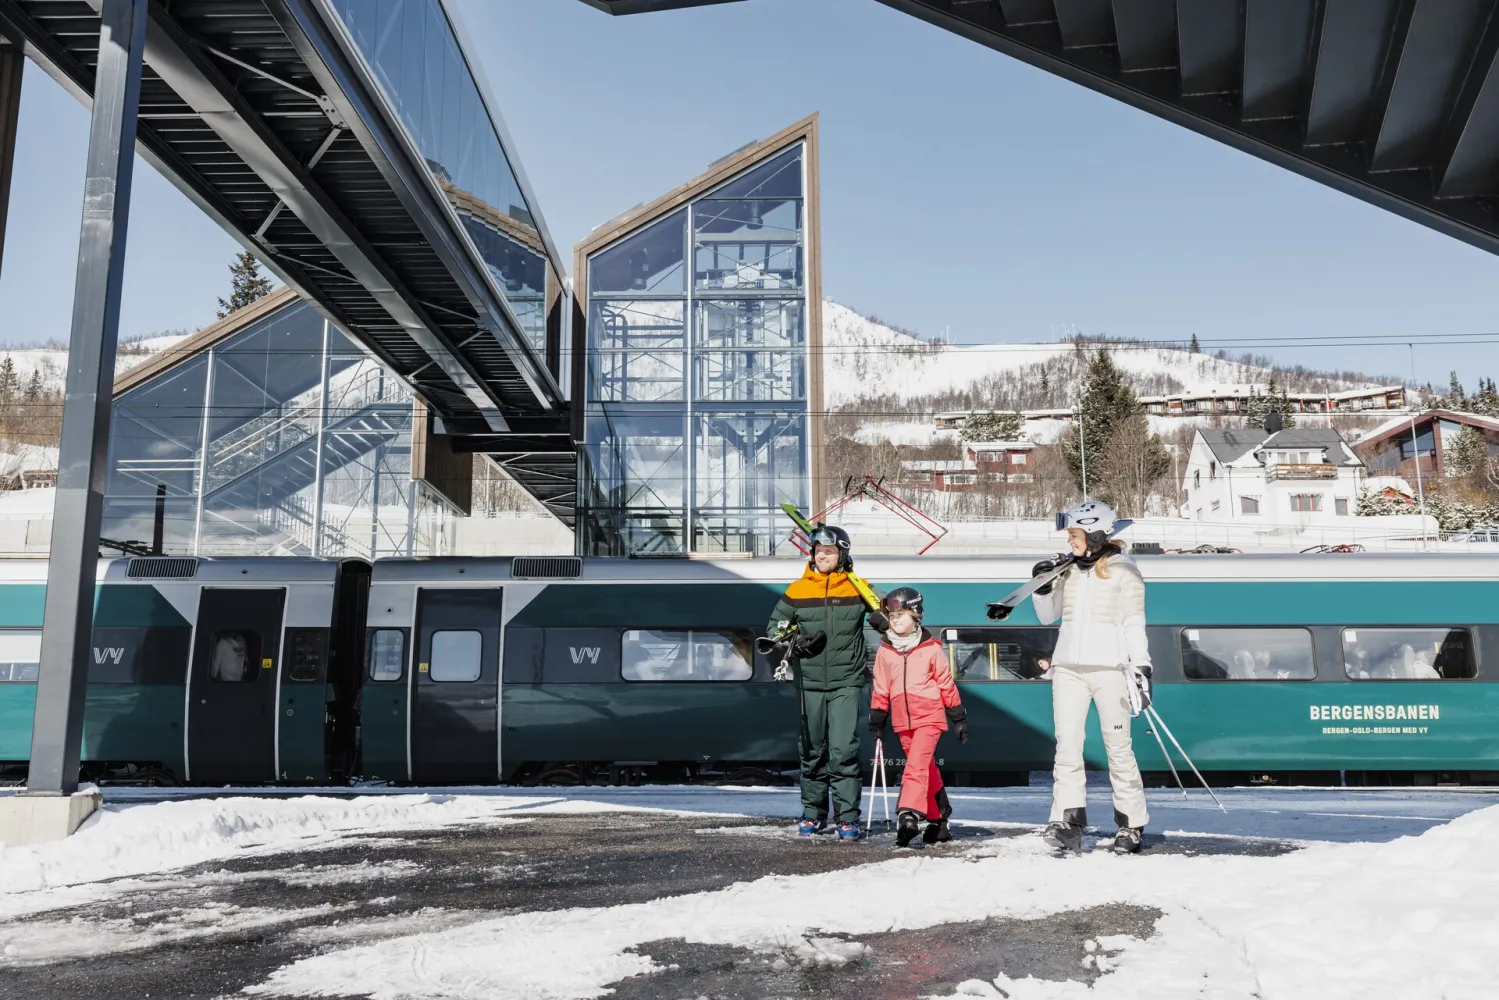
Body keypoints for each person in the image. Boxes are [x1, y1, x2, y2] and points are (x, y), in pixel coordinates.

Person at [1031, 500, 1152, 855]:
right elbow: (1046, 617)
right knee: (1067, 745)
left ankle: (1130, 823)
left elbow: (1133, 623)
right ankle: (1067, 820)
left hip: (1111, 668)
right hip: (1067, 667)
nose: (1069, 540)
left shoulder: (1124, 571)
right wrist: (1042, 587)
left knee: (1118, 747)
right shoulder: (1067, 571)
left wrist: (1141, 666)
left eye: (1074, 534)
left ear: (1096, 533)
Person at [764, 524, 877, 841]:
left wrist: (886, 617)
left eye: (828, 552)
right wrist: (793, 642)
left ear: (841, 555)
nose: (822, 556)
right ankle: (813, 813)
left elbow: (887, 615)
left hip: (845, 682)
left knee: (842, 750)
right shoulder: (798, 591)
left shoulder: (856, 588)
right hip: (809, 683)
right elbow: (776, 627)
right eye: (817, 551)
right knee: (812, 749)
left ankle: (847, 818)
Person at [869, 587, 968, 847]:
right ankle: (939, 822)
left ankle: (908, 814)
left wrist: (958, 716)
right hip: (902, 720)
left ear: (916, 615)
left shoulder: (931, 649)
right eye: (891, 616)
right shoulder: (885, 652)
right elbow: (881, 687)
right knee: (927, 769)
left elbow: (945, 683)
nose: (895, 620)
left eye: (901, 614)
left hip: (930, 717)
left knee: (914, 768)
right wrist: (878, 718)